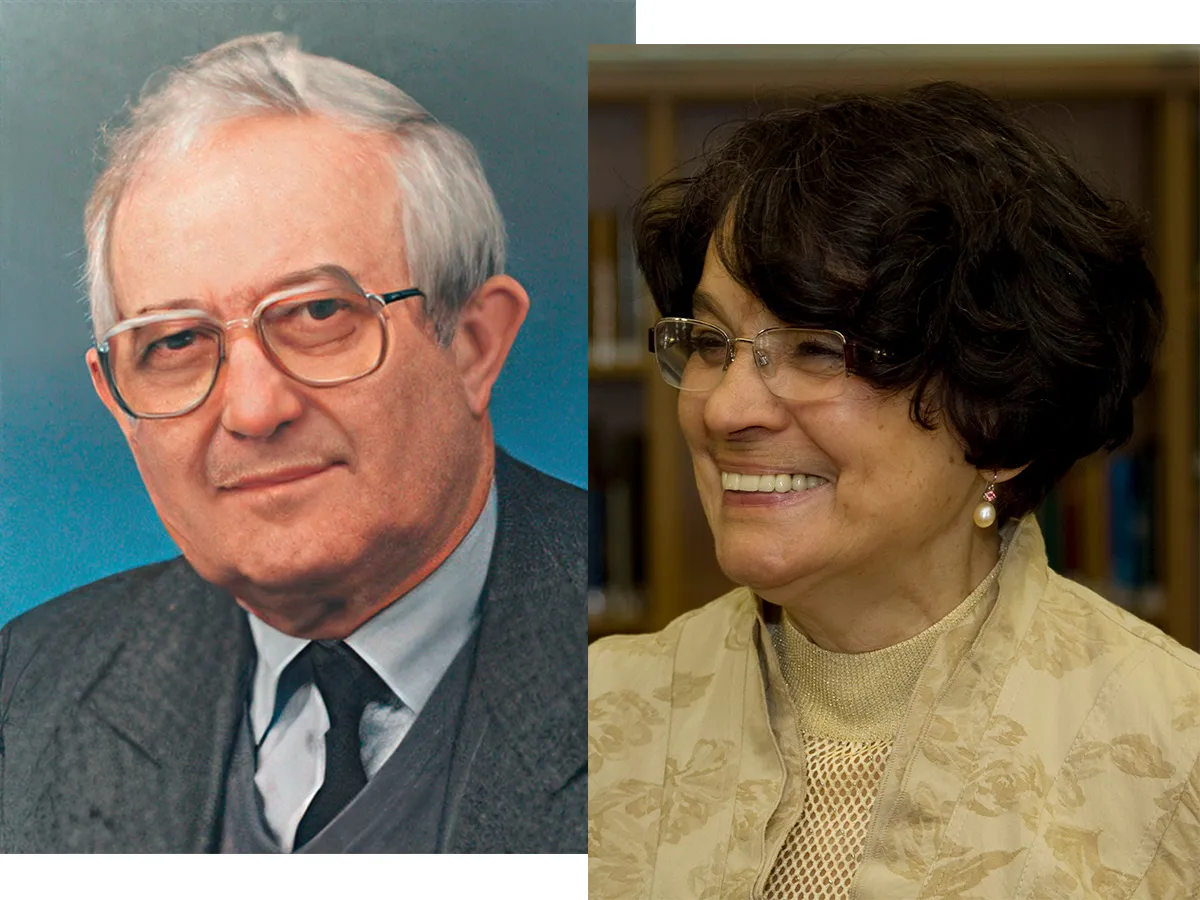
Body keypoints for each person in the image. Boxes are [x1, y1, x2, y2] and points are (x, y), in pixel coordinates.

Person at [588, 82, 1200, 898]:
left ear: (997, 416)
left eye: (814, 349)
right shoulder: (588, 723)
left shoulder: (1174, 758)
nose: (726, 408)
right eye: (709, 342)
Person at [0, 33, 584, 854]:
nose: (253, 409)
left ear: (474, 345)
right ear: (117, 402)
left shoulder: (666, 659)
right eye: (174, 343)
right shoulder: (25, 690)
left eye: (318, 314)